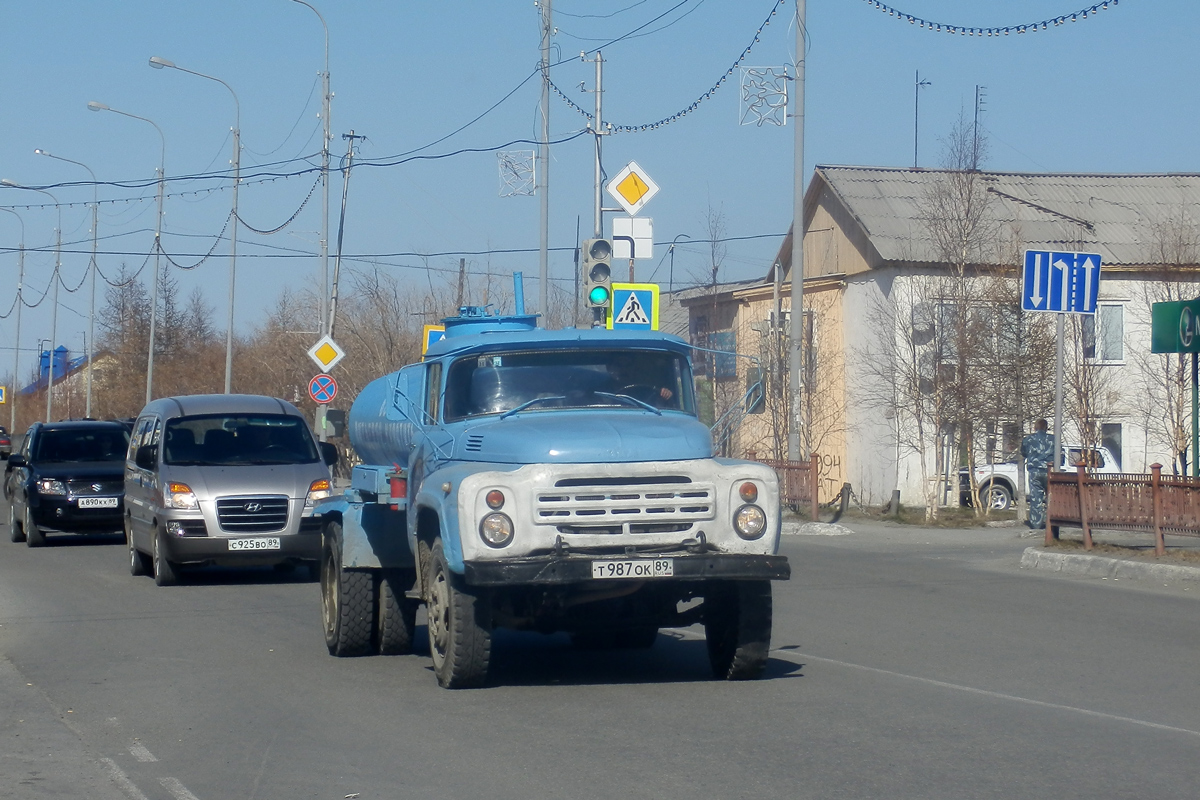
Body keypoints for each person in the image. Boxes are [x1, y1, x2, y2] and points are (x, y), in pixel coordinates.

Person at [1021, 418, 1056, 529]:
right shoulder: (1054, 439)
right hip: (1050, 472)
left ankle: (1036, 524)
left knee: (1036, 498)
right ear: (1046, 428)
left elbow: (1024, 453)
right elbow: (1061, 456)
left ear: (1035, 427)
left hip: (1034, 471)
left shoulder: (1028, 439)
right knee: (1051, 497)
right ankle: (1052, 523)